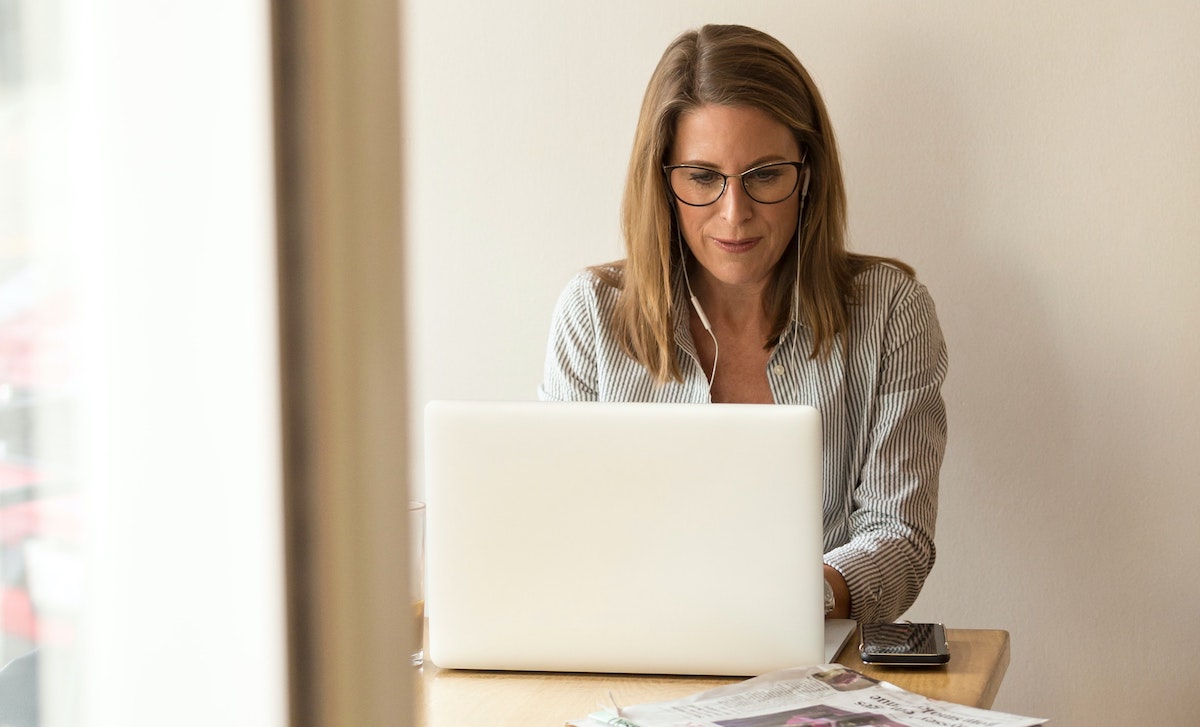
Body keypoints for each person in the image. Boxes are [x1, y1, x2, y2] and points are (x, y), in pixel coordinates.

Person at [538, 24, 947, 624]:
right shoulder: (592, 314)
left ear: (807, 173)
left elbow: (900, 537)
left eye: (764, 175)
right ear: (663, 181)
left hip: (814, 661)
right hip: (631, 655)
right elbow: (559, 532)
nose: (735, 214)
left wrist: (793, 600)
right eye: (703, 178)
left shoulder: (890, 311)